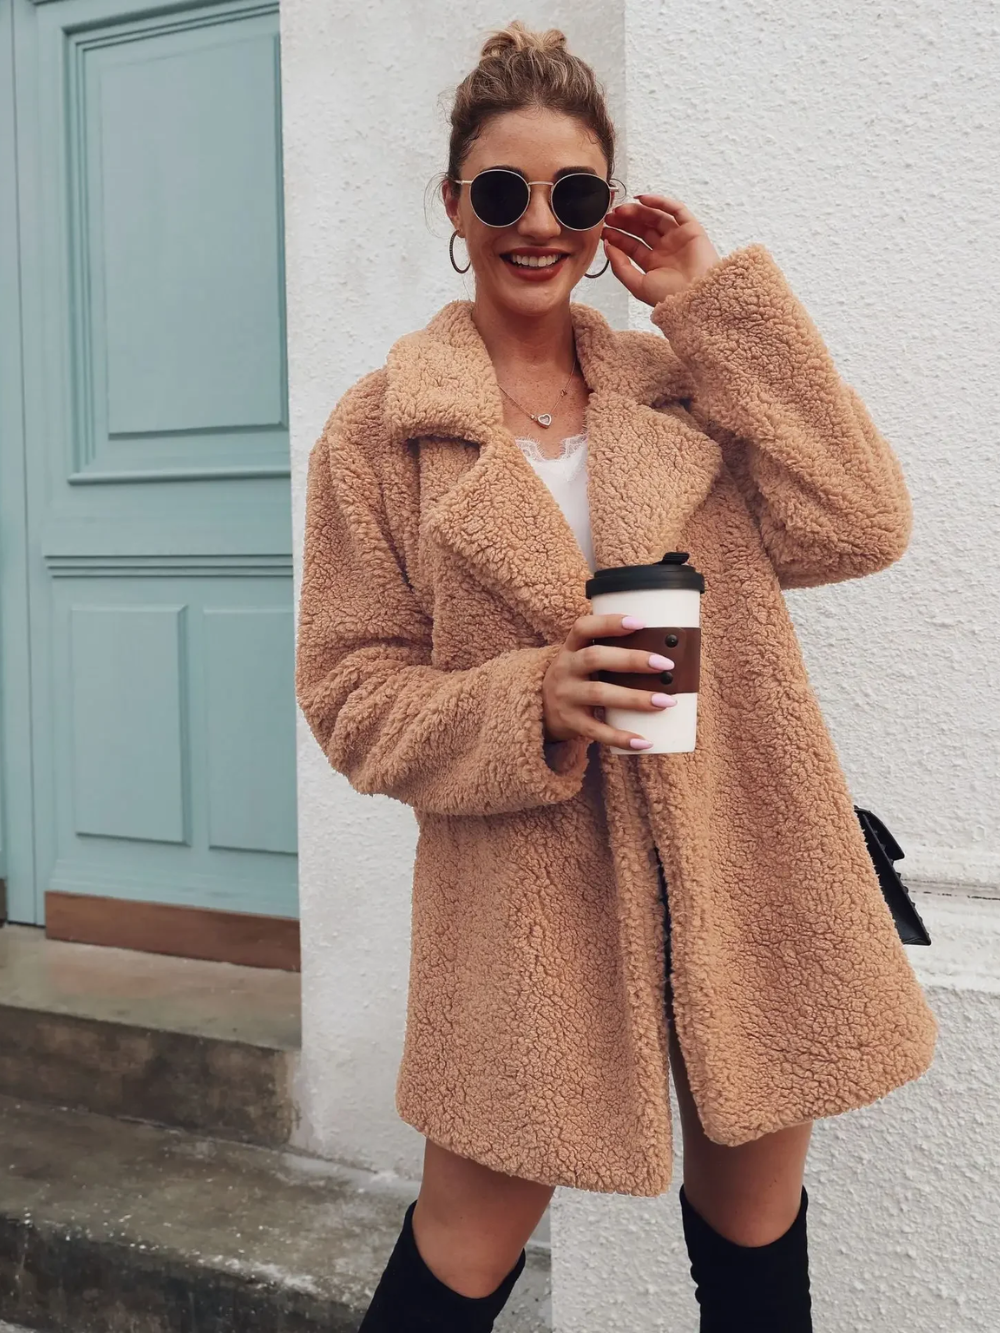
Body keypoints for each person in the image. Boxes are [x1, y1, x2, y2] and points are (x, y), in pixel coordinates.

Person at [294, 21, 937, 1332]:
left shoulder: (681, 386)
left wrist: (713, 305)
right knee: (462, 1250)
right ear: (454, 206)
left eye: (574, 193)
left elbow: (861, 520)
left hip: (742, 863)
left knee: (756, 1241)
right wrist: (523, 700)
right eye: (503, 191)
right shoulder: (381, 433)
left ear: (606, 215)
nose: (539, 223)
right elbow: (350, 692)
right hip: (526, 902)